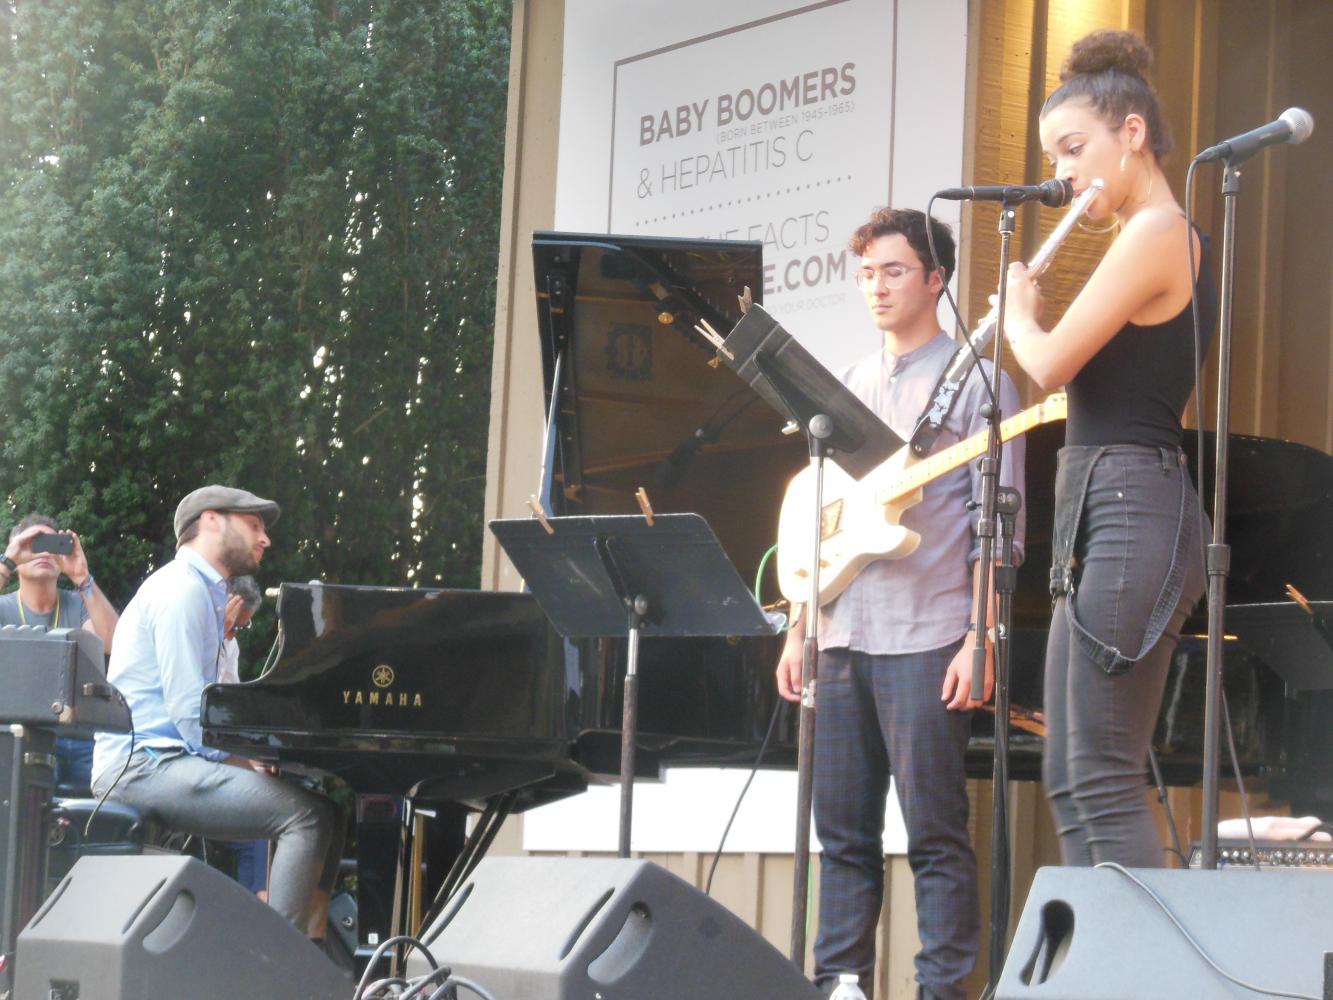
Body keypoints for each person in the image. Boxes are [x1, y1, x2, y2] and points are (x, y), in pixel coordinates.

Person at [776, 208, 1025, 999]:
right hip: (841, 634)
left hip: (928, 638)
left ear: (934, 279)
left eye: (890, 271)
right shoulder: (846, 385)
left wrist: (977, 637)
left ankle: (941, 992)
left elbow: (997, 531)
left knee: (934, 837)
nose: (874, 288)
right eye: (864, 275)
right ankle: (838, 986)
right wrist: (797, 627)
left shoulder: (983, 384)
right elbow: (815, 519)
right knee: (840, 837)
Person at [1000, 30, 1212, 868]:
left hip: (1134, 507)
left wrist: (1017, 310)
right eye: (1052, 153)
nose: (1062, 173)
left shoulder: (1158, 229)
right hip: (1104, 509)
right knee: (1069, 774)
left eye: (1073, 149)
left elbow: (1047, 364)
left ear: (1131, 134)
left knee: (1101, 778)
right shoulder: (1139, 234)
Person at [91, 485, 343, 938]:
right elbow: (191, 714)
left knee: (327, 812)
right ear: (210, 520)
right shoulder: (180, 589)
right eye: (253, 525)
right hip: (143, 767)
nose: (265, 538)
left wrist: (258, 754)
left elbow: (211, 708)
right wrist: (245, 760)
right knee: (307, 816)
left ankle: (311, 947)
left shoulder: (203, 593)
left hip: (167, 760)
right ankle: (276, 961)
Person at [1, 514, 121, 788]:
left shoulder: (79, 604)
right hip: (26, 736)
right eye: (33, 544)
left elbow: (113, 641)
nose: (43, 552)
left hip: (82, 738)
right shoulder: (4, 607)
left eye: (51, 544)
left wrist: (82, 576)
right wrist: (7, 562)